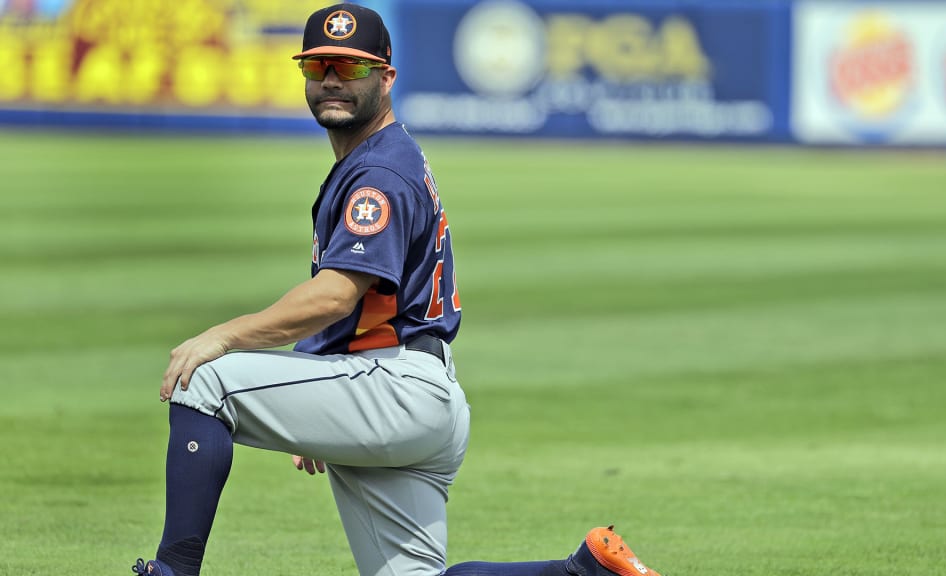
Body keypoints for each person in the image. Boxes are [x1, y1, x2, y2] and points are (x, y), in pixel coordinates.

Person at [132, 4, 662, 576]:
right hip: (415, 395)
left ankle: (173, 571)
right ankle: (584, 572)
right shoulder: (382, 157)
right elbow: (363, 304)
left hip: (395, 389)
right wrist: (316, 398)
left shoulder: (379, 174)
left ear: (386, 77)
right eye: (319, 67)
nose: (332, 80)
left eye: (351, 68)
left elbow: (336, 295)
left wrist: (222, 336)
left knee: (205, 380)